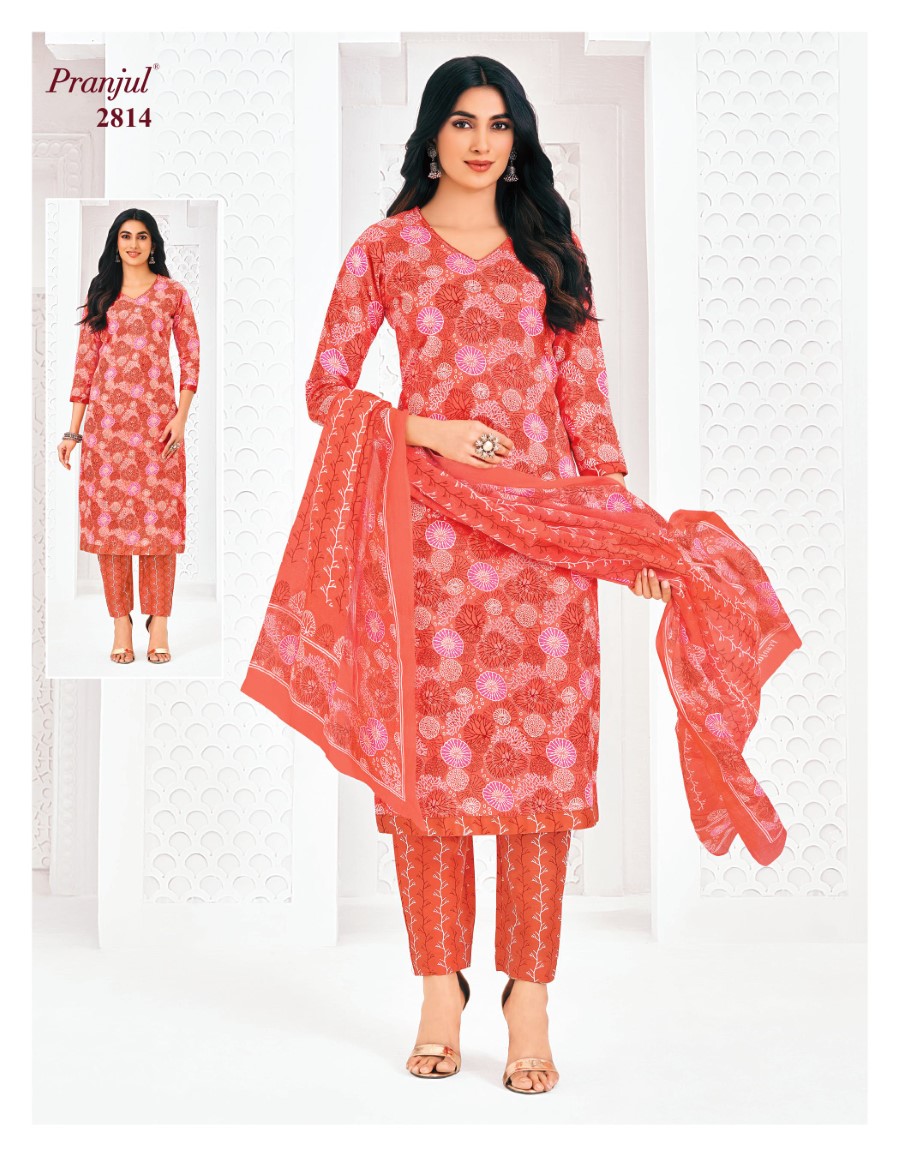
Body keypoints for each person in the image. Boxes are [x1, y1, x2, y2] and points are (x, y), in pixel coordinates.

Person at [57, 208, 200, 663]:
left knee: (159, 527)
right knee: (111, 528)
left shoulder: (172, 294)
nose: (133, 244)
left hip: (159, 429)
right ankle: (121, 624)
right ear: (115, 244)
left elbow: (191, 358)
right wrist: (73, 431)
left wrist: (180, 418)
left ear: (153, 244)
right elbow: (85, 366)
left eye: (141, 236)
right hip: (108, 432)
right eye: (125, 236)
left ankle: (160, 623)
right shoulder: (101, 295)